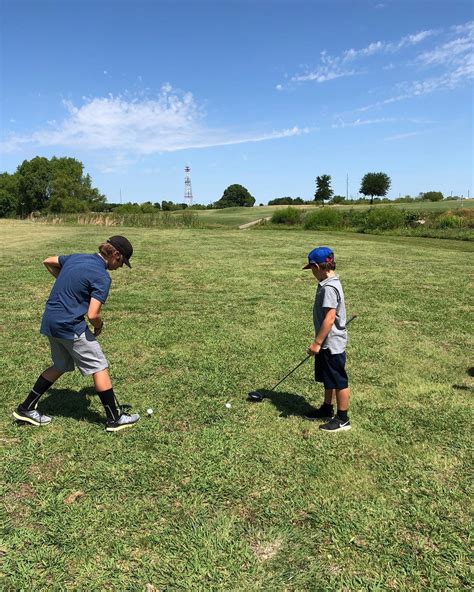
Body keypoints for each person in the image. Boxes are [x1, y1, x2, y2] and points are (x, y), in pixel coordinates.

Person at [13, 236, 140, 432]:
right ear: (115, 255)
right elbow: (93, 314)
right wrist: (99, 326)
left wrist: (69, 281)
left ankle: (26, 408)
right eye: (122, 262)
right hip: (69, 325)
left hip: (50, 320)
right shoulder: (102, 277)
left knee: (61, 365)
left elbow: (48, 260)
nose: (121, 266)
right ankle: (114, 419)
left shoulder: (76, 258)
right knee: (99, 366)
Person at [303, 246, 351, 431]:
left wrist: (317, 343)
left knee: (338, 381)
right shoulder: (329, 282)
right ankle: (326, 408)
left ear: (317, 266)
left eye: (311, 269)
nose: (312, 273)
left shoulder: (329, 288)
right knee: (328, 378)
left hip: (331, 344)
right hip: (326, 342)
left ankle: (343, 418)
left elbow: (330, 318)